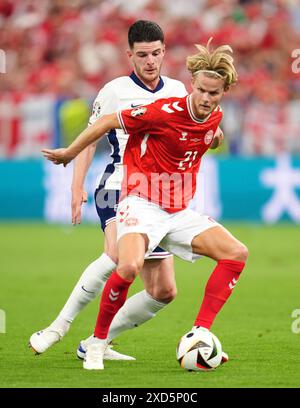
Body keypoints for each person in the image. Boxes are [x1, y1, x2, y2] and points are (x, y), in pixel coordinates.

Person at [42, 38, 248, 370]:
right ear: (191, 85)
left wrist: (215, 134)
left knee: (236, 254)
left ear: (223, 92)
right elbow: (108, 121)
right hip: (141, 204)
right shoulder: (163, 111)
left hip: (178, 211)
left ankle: (200, 333)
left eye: (215, 93)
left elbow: (205, 133)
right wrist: (68, 154)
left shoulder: (214, 117)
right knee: (127, 266)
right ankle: (95, 344)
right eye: (203, 91)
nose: (208, 98)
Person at [29, 20, 188, 361]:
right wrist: (76, 186)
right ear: (129, 55)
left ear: (164, 52)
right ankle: (58, 326)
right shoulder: (114, 91)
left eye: (156, 53)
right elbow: (90, 139)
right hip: (117, 185)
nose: (150, 61)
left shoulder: (177, 91)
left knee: (163, 291)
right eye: (142, 54)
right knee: (119, 256)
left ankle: (96, 341)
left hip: (158, 195)